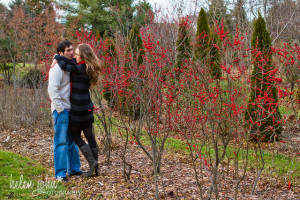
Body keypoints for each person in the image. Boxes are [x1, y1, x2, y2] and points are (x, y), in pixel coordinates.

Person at [53, 43, 101, 177]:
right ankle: (96, 167)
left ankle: (92, 163)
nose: (74, 55)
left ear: (83, 56)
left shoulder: (80, 67)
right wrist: (59, 57)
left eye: (77, 54)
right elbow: (71, 62)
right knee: (89, 135)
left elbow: (65, 66)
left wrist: (57, 56)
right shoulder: (89, 67)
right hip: (87, 108)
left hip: (78, 109)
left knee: (75, 136)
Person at [48, 40, 82, 182]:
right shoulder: (56, 69)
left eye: (72, 49)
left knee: (71, 141)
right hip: (61, 111)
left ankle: (74, 169)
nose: (71, 52)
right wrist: (60, 109)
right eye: (68, 50)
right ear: (61, 53)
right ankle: (60, 174)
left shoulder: (69, 66)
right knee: (60, 142)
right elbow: (52, 90)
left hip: (70, 110)